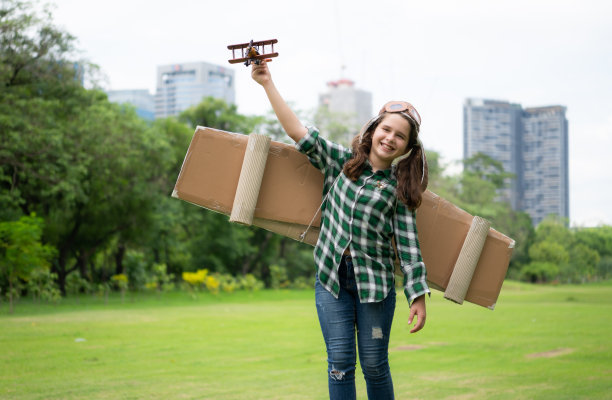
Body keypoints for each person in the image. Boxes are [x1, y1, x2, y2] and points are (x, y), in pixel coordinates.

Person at [251, 60, 430, 400]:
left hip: (375, 285)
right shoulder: (340, 163)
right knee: (340, 363)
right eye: (386, 130)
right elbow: (298, 133)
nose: (390, 138)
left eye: (400, 136)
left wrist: (417, 295)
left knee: (375, 366)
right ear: (373, 129)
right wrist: (266, 82)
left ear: (407, 148)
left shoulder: (400, 190)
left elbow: (409, 247)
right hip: (332, 278)